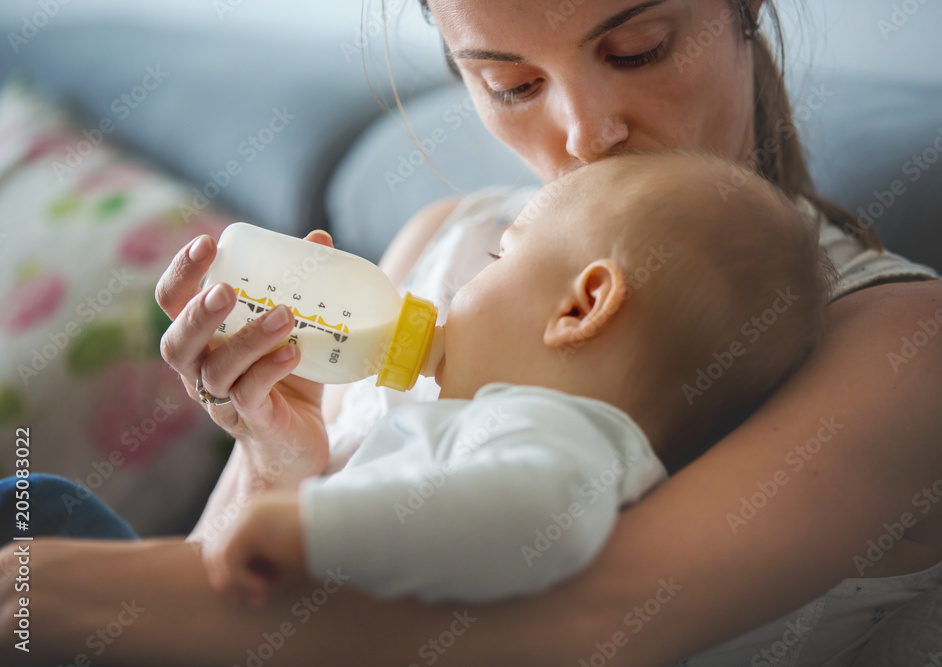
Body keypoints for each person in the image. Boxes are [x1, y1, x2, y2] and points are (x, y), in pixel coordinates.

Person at [1, 1, 942, 665]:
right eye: (511, 84)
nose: (583, 132)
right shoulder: (450, 238)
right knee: (39, 498)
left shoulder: (911, 341)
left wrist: (43, 592)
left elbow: (575, 623)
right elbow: (229, 577)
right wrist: (276, 451)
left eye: (637, 48)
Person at [201, 152, 833, 610]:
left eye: (497, 258)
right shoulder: (515, 422)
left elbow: (529, 515)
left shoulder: (561, 434)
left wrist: (314, 528)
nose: (453, 290)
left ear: (580, 310)